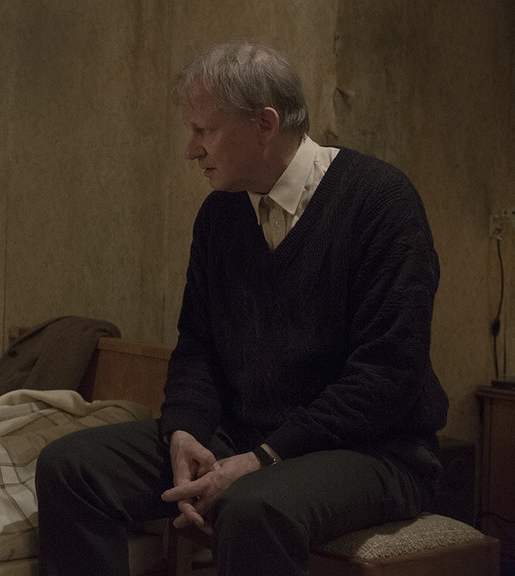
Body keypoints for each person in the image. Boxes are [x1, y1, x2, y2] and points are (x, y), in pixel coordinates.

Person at [35, 42, 448, 576]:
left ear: (265, 124)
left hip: (374, 449)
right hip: (249, 433)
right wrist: (184, 430)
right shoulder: (220, 215)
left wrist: (264, 458)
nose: (191, 150)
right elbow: (197, 349)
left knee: (253, 507)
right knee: (70, 466)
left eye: (204, 131)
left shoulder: (380, 202)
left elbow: (387, 376)